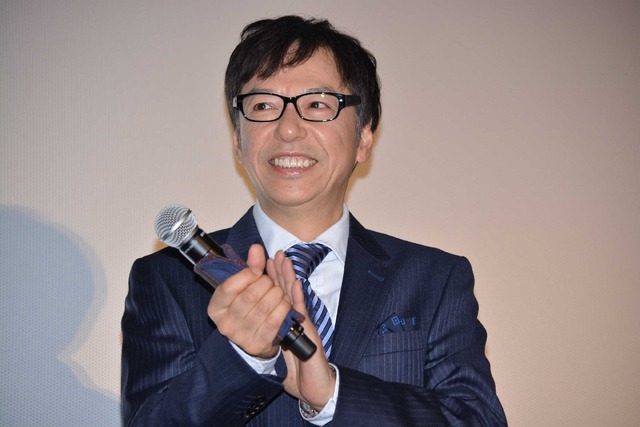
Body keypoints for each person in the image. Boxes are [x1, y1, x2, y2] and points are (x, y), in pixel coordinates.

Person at [121, 15, 507, 426]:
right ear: (237, 140)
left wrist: (332, 394)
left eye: (318, 104)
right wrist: (243, 357)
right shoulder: (167, 279)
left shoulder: (435, 278)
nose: (288, 129)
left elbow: (477, 419)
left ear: (364, 138)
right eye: (263, 105)